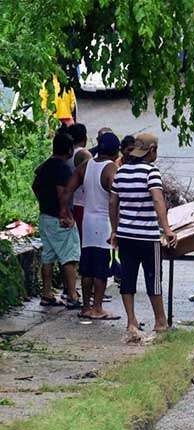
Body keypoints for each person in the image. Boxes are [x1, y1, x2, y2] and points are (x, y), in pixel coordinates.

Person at [110, 133, 177, 343]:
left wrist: (115, 230)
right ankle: (160, 322)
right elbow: (158, 200)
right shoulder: (151, 172)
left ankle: (131, 322)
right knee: (153, 278)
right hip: (148, 237)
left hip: (126, 236)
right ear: (152, 150)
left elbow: (113, 203)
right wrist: (167, 230)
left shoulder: (120, 173)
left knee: (128, 278)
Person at [64, 132, 121, 320]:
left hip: (87, 221)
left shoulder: (86, 166)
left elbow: (68, 188)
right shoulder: (111, 168)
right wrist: (117, 227)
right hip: (104, 222)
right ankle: (97, 307)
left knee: (87, 266)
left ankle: (86, 306)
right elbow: (116, 198)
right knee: (101, 268)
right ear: (116, 152)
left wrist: (65, 212)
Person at [32, 132, 82, 309]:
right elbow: (63, 194)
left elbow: (35, 186)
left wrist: (44, 202)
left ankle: (46, 294)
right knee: (69, 256)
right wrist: (66, 215)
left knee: (48, 256)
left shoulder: (44, 166)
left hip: (45, 216)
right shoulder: (62, 168)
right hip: (59, 218)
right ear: (69, 149)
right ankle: (73, 296)